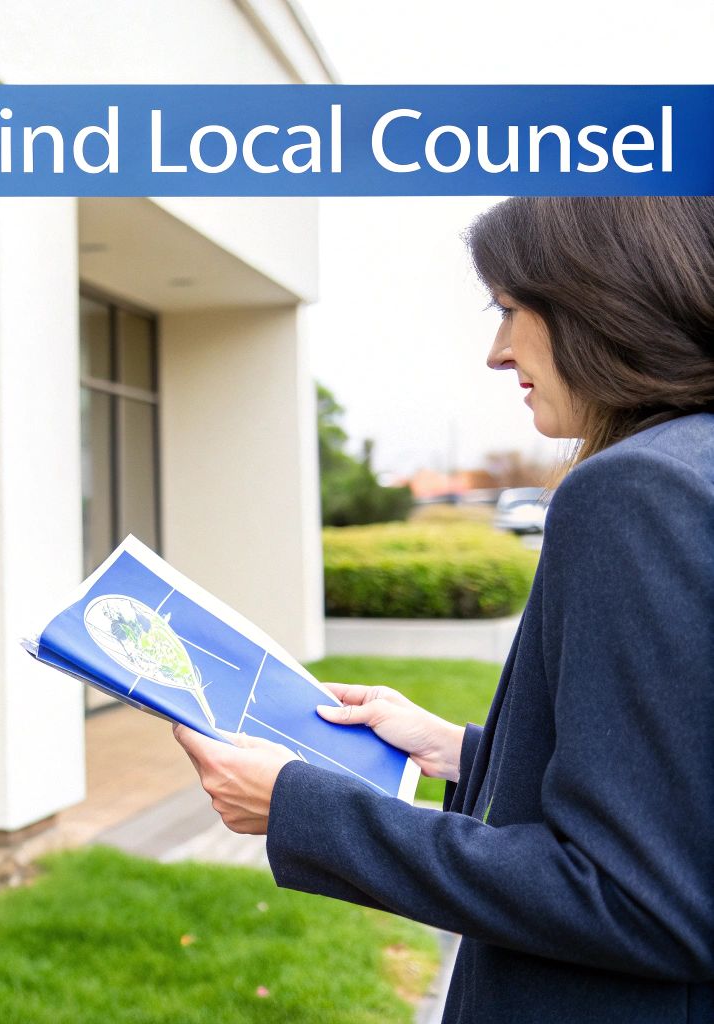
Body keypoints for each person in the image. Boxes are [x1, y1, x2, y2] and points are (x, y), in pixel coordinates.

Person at [171, 195, 714, 1023]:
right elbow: (675, 795)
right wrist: (459, 753)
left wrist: (297, 806)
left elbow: (634, 896)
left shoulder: (636, 491)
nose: (497, 352)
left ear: (605, 298)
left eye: (509, 310)